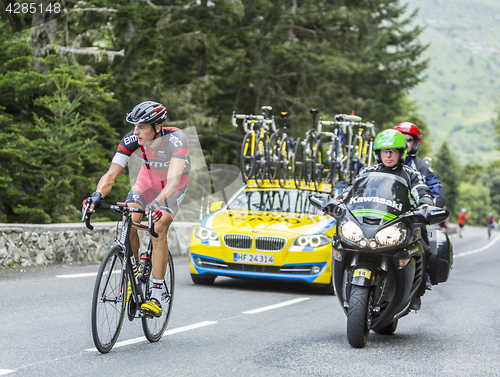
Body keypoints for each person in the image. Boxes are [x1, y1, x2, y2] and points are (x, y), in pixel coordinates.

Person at [83, 100, 190, 317]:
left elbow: (171, 183)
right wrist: (97, 196)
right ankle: (134, 269)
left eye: (142, 126)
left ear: (158, 127)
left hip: (172, 186)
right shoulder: (132, 139)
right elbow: (111, 174)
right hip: (147, 181)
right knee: (129, 217)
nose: (136, 131)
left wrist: (156, 204)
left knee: (158, 226)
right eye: (134, 125)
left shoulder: (176, 139)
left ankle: (156, 296)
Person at [337, 129, 435, 310]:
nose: (388, 155)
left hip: (399, 223)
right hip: (369, 221)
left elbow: (422, 190)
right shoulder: (368, 171)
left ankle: (416, 293)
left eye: (393, 151)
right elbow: (352, 189)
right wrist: (342, 198)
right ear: (378, 153)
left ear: (401, 153)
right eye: (384, 151)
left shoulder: (410, 174)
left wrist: (425, 203)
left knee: (423, 247)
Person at [393, 122, 446, 208]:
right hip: (380, 212)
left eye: (408, 139)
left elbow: (437, 191)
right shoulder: (381, 162)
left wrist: (427, 207)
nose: (404, 142)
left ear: (415, 143)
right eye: (400, 138)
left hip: (408, 215)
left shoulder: (421, 166)